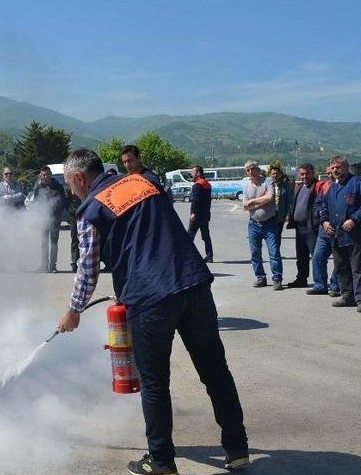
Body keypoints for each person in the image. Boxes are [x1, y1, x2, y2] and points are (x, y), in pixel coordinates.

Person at [56, 149, 248, 475]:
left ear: (79, 178)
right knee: (216, 372)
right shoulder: (143, 182)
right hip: (193, 283)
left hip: (150, 297)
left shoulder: (90, 209)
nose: (71, 191)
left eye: (70, 185)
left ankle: (161, 462)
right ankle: (238, 449)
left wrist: (74, 310)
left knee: (155, 383)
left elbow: (87, 268)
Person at [319, 156, 361, 313]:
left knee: (358, 268)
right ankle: (347, 296)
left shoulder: (357, 183)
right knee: (341, 267)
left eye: (339, 167)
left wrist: (354, 219)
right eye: (333, 168)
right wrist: (325, 222)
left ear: (347, 167)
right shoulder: (332, 188)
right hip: (335, 234)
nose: (335, 170)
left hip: (353, 234)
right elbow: (324, 207)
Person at [242, 161, 283, 290]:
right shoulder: (246, 184)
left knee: (274, 252)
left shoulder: (268, 181)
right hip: (253, 224)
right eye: (248, 169)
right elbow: (244, 205)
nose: (251, 171)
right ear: (246, 172)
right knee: (255, 253)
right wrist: (261, 199)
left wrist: (252, 202)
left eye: (253, 168)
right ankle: (261, 277)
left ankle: (277, 279)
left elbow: (270, 197)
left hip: (269, 223)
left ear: (258, 169)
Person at [307, 164, 341, 296]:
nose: (331, 174)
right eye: (328, 172)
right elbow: (317, 204)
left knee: (339, 260)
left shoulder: (347, 185)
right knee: (317, 257)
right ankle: (320, 285)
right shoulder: (325, 186)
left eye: (333, 171)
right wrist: (323, 218)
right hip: (324, 230)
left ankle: (335, 285)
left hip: (340, 230)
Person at [286, 164, 320, 288]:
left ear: (313, 173)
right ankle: (301, 279)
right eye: (302, 174)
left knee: (316, 257)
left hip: (312, 228)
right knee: (301, 256)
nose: (304, 176)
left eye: (307, 173)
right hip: (299, 228)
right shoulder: (299, 187)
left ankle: (319, 283)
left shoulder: (318, 187)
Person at [31, 165, 67, 272]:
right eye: (43, 175)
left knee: (54, 242)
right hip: (43, 218)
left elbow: (62, 201)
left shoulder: (58, 186)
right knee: (44, 242)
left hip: (55, 218)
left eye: (47, 174)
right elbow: (36, 202)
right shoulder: (38, 188)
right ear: (41, 176)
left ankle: (53, 266)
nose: (45, 176)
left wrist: (57, 213)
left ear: (50, 174)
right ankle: (44, 265)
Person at [187, 165, 213, 262]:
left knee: (189, 236)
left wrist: (193, 213)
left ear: (198, 173)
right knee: (206, 236)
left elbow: (196, 200)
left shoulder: (197, 185)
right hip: (205, 215)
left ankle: (188, 256)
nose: (191, 174)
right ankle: (209, 256)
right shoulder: (207, 184)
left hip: (197, 216)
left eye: (192, 172)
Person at [269, 166, 293, 240]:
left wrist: (288, 214)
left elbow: (290, 201)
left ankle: (276, 251)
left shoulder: (285, 186)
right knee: (270, 235)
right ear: (270, 174)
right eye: (273, 173)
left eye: (277, 173)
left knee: (277, 235)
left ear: (280, 175)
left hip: (280, 214)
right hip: (269, 215)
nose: (275, 175)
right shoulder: (267, 185)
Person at [66, 188, 82, 272]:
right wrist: (70, 213)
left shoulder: (86, 187)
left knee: (86, 240)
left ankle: (83, 261)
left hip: (85, 215)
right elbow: (66, 203)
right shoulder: (70, 190)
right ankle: (74, 262)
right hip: (74, 217)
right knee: (75, 240)